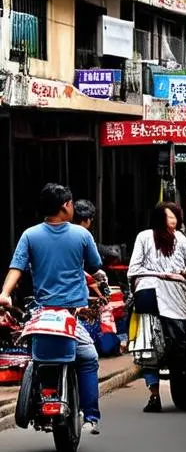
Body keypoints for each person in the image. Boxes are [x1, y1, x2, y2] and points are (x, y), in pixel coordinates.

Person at [0, 183, 105, 435]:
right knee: (88, 357)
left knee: (37, 357)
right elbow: (95, 265)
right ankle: (91, 416)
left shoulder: (30, 235)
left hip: (41, 314)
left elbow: (17, 267)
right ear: (65, 207)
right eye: (70, 203)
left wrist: (4, 293)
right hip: (69, 315)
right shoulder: (82, 236)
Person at [128, 202, 186, 413]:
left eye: (175, 216)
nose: (174, 220)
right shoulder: (173, 239)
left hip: (148, 295)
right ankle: (166, 394)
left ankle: (154, 395)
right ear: (160, 218)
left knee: (148, 346)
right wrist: (176, 273)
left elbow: (134, 269)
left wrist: (150, 275)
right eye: (169, 216)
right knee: (179, 346)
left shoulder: (149, 237)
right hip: (168, 299)